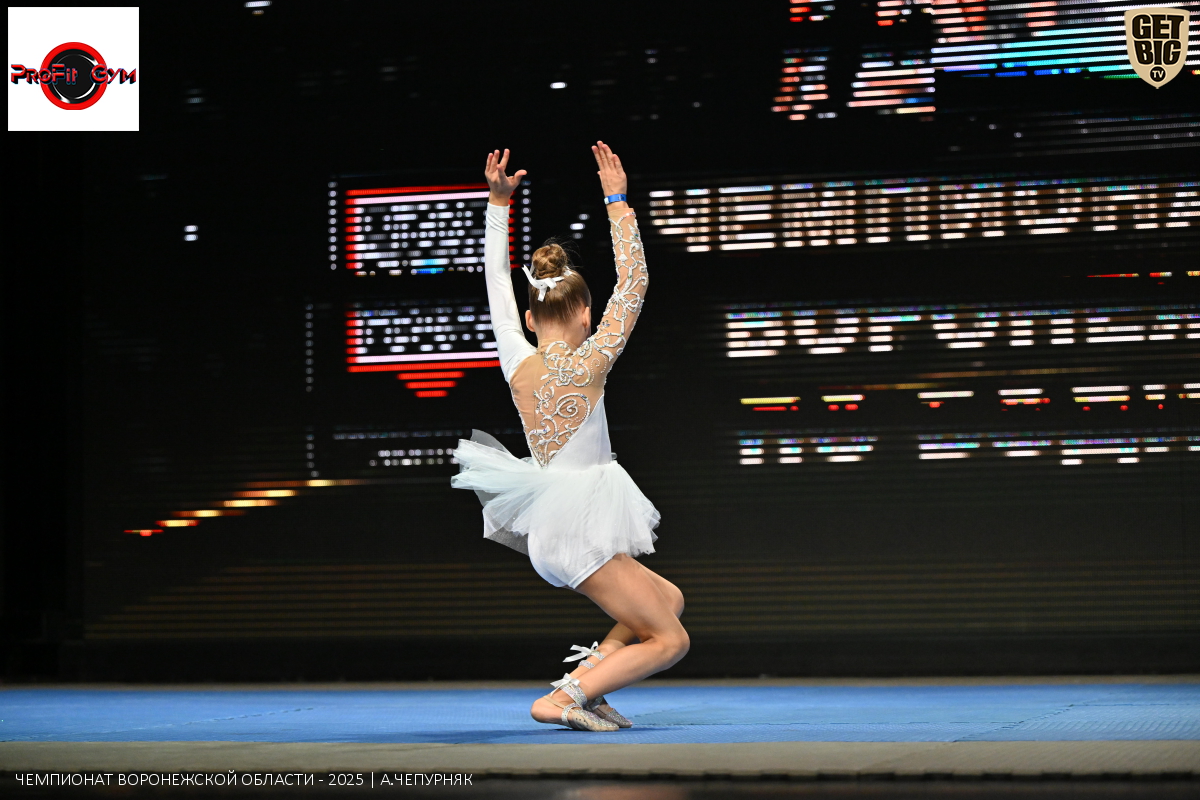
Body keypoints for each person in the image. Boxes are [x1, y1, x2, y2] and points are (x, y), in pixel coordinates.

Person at [451, 143, 689, 732]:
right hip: (579, 523)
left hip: (554, 522)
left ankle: (586, 686)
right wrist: (617, 200)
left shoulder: (516, 358)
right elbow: (634, 281)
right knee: (671, 640)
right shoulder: (595, 357)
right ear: (585, 312)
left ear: (530, 318)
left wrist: (498, 205)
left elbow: (494, 284)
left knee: (669, 600)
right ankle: (563, 699)